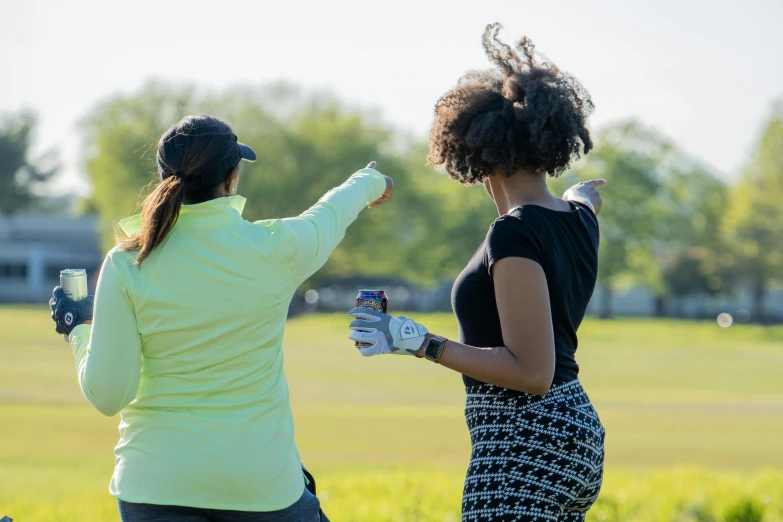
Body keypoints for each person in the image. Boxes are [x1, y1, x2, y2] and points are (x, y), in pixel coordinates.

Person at [48, 114, 393, 522]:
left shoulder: (127, 263)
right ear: (232, 177)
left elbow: (108, 395)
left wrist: (80, 332)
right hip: (262, 487)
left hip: (154, 486)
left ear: (163, 177)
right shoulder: (276, 248)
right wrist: (373, 182)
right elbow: (332, 211)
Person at [347, 24, 605, 521]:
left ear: (476, 150)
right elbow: (583, 199)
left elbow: (531, 372)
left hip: (523, 442)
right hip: (572, 434)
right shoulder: (578, 220)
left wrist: (415, 340)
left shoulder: (513, 233)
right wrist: (582, 194)